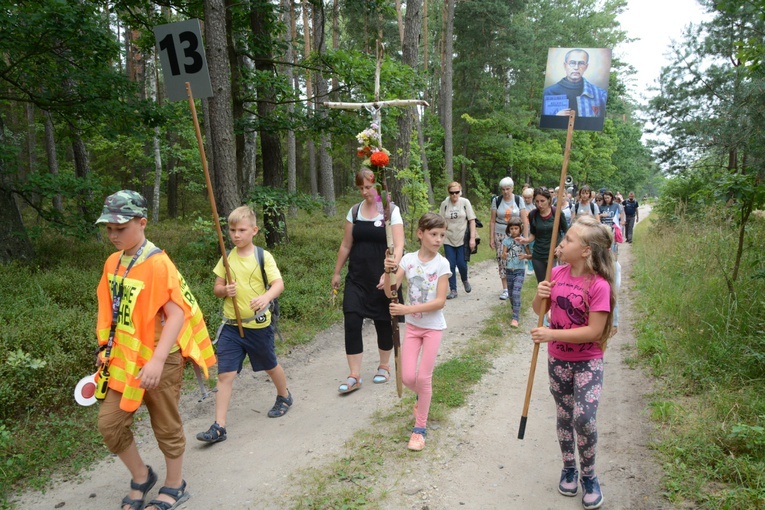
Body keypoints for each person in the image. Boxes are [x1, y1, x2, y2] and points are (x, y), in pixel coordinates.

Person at [94, 190, 216, 510]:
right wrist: (104, 347)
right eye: (109, 228)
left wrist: (158, 361)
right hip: (123, 360)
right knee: (109, 423)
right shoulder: (112, 263)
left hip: (161, 359)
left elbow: (177, 314)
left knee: (165, 424)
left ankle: (175, 484)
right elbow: (110, 309)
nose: (112, 234)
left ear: (142, 222)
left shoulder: (158, 263)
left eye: (120, 228)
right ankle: (141, 475)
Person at [530, 215, 616, 510]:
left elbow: (594, 331)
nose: (562, 242)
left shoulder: (599, 285)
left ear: (586, 251)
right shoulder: (556, 273)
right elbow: (539, 309)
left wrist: (550, 333)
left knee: (584, 417)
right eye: (563, 238)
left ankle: (589, 475)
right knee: (565, 416)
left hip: (587, 361)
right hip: (559, 361)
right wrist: (540, 294)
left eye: (568, 240)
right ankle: (569, 467)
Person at [196, 205, 291, 445]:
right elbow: (217, 288)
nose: (236, 235)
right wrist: (224, 290)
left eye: (241, 230)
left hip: (257, 326)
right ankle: (219, 427)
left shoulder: (263, 256)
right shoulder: (227, 258)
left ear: (254, 230)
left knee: (270, 365)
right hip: (230, 326)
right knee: (225, 374)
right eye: (231, 230)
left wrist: (266, 297)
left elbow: (278, 284)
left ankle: (284, 395)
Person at [332, 169, 405, 393]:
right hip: (357, 276)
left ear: (378, 186)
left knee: (383, 321)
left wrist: (391, 271)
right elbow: (346, 244)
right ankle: (354, 374)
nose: (364, 192)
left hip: (382, 275)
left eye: (368, 187)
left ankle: (384, 366)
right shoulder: (354, 212)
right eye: (361, 188)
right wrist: (337, 272)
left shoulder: (391, 211)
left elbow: (399, 246)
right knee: (351, 320)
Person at [383, 213, 451, 451]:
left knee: (424, 378)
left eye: (442, 235)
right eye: (433, 234)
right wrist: (389, 270)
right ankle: (423, 398)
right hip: (412, 328)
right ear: (420, 233)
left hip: (432, 328)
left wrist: (407, 308)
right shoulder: (408, 260)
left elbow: (440, 301)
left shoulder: (442, 264)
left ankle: (419, 429)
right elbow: (389, 291)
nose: (438, 239)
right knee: (406, 376)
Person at [516, 187, 569, 283]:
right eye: (537, 201)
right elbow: (533, 234)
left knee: (553, 284)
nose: (539, 204)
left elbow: (567, 232)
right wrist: (527, 240)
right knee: (542, 285)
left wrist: (561, 246)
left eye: (542, 201)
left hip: (553, 254)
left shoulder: (557, 213)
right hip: (538, 255)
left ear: (549, 200)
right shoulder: (533, 214)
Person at [490, 177, 529, 300]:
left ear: (512, 188)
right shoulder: (496, 200)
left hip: (516, 234)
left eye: (507, 189)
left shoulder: (518, 200)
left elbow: (524, 220)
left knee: (515, 259)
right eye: (503, 189)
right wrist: (491, 238)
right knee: (502, 259)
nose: (505, 192)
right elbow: (492, 221)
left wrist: (526, 238)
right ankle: (505, 288)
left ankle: (514, 284)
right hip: (500, 233)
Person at [543, 49, 608, 118]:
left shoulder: (600, 94)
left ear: (586, 67)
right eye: (572, 63)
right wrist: (555, 118)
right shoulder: (549, 92)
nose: (576, 67)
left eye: (581, 63)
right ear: (565, 65)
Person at [439, 181, 476, 299]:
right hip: (448, 238)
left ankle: (465, 280)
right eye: (452, 193)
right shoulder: (444, 204)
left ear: (460, 191)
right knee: (450, 264)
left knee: (461, 263)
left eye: (457, 192)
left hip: (462, 238)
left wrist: (472, 238)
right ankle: (453, 289)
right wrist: (439, 237)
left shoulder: (465, 202)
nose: (454, 195)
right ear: (449, 193)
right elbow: (440, 221)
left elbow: (472, 220)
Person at [501, 217, 531, 328]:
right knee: (511, 294)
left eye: (516, 228)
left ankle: (515, 318)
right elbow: (504, 254)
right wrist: (504, 255)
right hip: (509, 270)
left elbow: (530, 255)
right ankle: (515, 307)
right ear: (509, 229)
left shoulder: (523, 241)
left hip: (520, 270)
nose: (514, 231)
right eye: (512, 228)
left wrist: (525, 256)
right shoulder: (506, 241)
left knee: (516, 293)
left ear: (520, 229)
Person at [599, 191, 621, 256]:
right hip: (604, 227)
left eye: (608, 198)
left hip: (613, 227)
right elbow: (597, 216)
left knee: (612, 243)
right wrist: (601, 215)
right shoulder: (601, 207)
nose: (606, 199)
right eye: (605, 198)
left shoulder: (616, 205)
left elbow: (619, 215)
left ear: (611, 197)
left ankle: (613, 255)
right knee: (605, 243)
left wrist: (615, 218)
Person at [521, 187, 536, 276]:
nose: (526, 199)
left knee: (531, 248)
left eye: (528, 198)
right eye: (525, 197)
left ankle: (531, 267)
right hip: (522, 230)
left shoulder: (534, 207)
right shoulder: (521, 206)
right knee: (524, 248)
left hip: (531, 230)